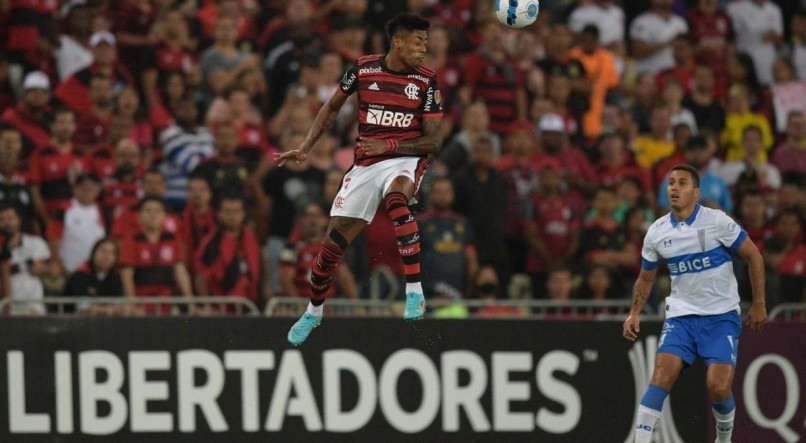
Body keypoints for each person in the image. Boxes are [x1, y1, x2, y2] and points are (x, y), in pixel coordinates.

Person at [274, 13, 443, 345]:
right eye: (418, 41)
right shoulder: (363, 70)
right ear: (398, 41)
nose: (425, 48)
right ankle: (313, 312)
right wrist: (306, 146)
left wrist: (391, 144)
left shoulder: (426, 80)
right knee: (331, 248)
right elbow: (332, 106)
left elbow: (434, 141)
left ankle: (414, 292)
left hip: (405, 158)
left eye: (426, 41)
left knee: (397, 200)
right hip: (366, 164)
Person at [623, 164, 767, 443]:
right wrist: (634, 313)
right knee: (661, 376)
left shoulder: (717, 221)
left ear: (696, 192)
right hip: (681, 317)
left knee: (718, 387)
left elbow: (754, 255)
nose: (674, 188)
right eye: (671, 183)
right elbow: (645, 278)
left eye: (682, 183)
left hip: (721, 316)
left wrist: (759, 302)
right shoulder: (656, 232)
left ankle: (723, 439)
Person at [195, 196, 261, 305]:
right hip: (221, 309)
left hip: (250, 307)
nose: (232, 216)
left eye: (236, 211)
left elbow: (259, 270)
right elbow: (200, 278)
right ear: (219, 214)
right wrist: (207, 307)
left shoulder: (251, 238)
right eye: (227, 212)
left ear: (243, 214)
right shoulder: (211, 243)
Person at [0, 203, 52, 315]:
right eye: (2, 219)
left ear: (19, 220)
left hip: (34, 303)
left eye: (10, 218)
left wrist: (43, 269)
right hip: (6, 307)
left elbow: (56, 269)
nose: (7, 223)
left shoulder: (36, 242)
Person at [63, 238, 124, 314]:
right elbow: (83, 307)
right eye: (103, 251)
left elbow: (120, 305)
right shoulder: (80, 275)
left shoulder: (115, 278)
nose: (107, 256)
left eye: (112, 253)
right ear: (93, 253)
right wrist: (110, 310)